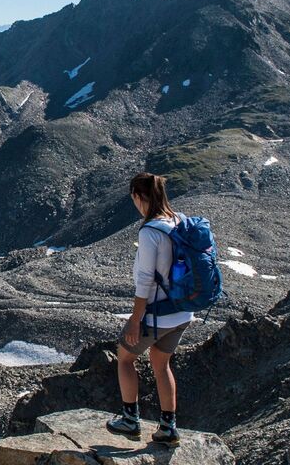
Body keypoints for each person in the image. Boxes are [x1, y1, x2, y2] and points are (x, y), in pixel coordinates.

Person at [106, 172, 191, 447]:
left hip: (157, 313)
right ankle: (168, 426)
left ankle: (130, 420)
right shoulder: (178, 221)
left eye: (134, 197)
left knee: (124, 358)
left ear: (138, 196)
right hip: (182, 312)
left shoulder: (150, 231)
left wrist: (135, 319)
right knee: (160, 363)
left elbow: (145, 279)